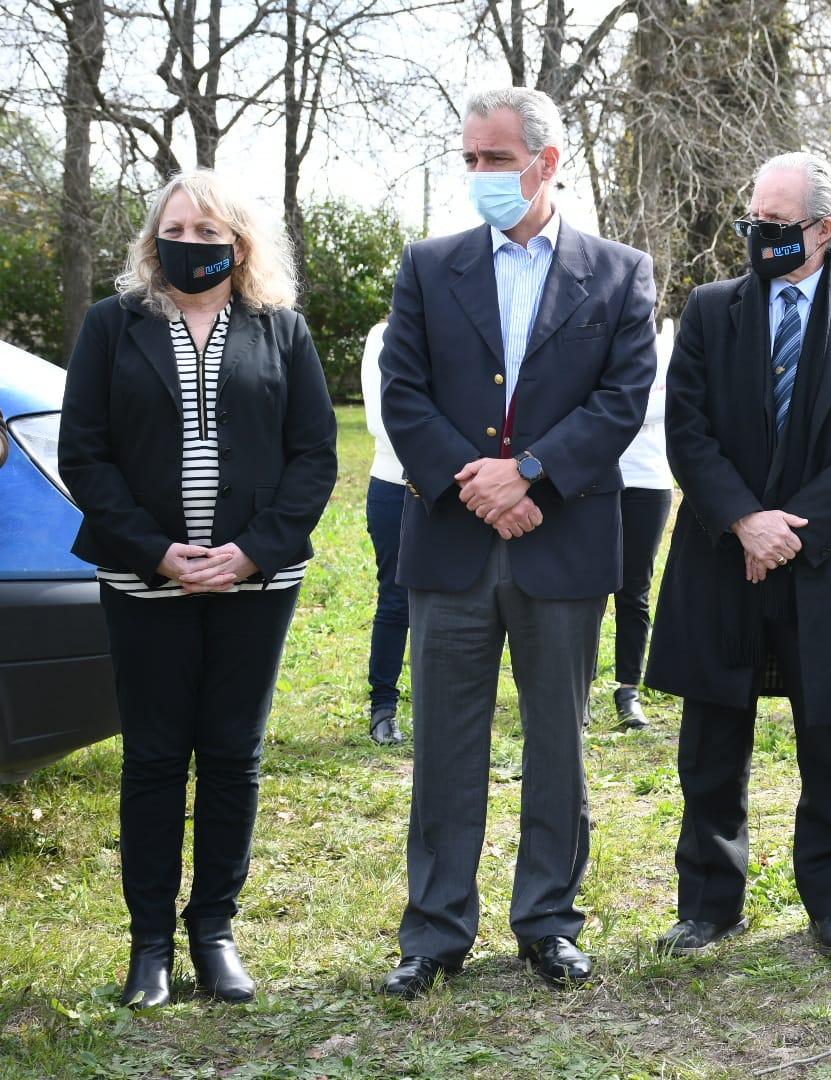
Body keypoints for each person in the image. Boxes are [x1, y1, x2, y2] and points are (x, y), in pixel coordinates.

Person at [377, 86, 657, 998]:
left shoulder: (619, 272)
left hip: (562, 544)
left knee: (558, 744)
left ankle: (546, 921)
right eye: (470, 159)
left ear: (548, 161)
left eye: (495, 158)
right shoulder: (428, 266)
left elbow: (621, 397)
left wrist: (530, 471)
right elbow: (403, 391)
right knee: (445, 744)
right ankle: (434, 933)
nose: (480, 176)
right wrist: (480, 480)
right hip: (453, 544)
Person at [58, 169, 338, 1009]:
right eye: (178, 230)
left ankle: (213, 931)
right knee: (152, 756)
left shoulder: (280, 330)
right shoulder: (113, 326)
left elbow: (314, 454)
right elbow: (86, 454)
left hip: (256, 583)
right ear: (154, 239)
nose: (192, 245)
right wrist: (157, 552)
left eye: (211, 234)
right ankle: (149, 946)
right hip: (146, 581)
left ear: (240, 246)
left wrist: (251, 552)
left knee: (231, 755)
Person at [644, 152, 831, 960]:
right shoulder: (710, 308)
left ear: (823, 230)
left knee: (827, 742)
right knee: (711, 740)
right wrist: (745, 522)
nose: (759, 236)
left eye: (775, 224)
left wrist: (788, 530)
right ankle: (708, 902)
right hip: (724, 555)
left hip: (826, 562)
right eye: (751, 222)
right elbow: (685, 431)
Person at [602, 318, 675, 730]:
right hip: (595, 479)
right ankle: (575, 689)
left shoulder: (666, 350)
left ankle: (628, 689)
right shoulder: (596, 343)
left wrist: (617, 408)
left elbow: (673, 404)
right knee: (587, 589)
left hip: (648, 481)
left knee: (635, 591)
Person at [360, 313, 410, 745]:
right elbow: (383, 421)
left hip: (459, 490)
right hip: (397, 487)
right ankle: (383, 708)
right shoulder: (384, 336)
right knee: (396, 598)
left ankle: (444, 705)